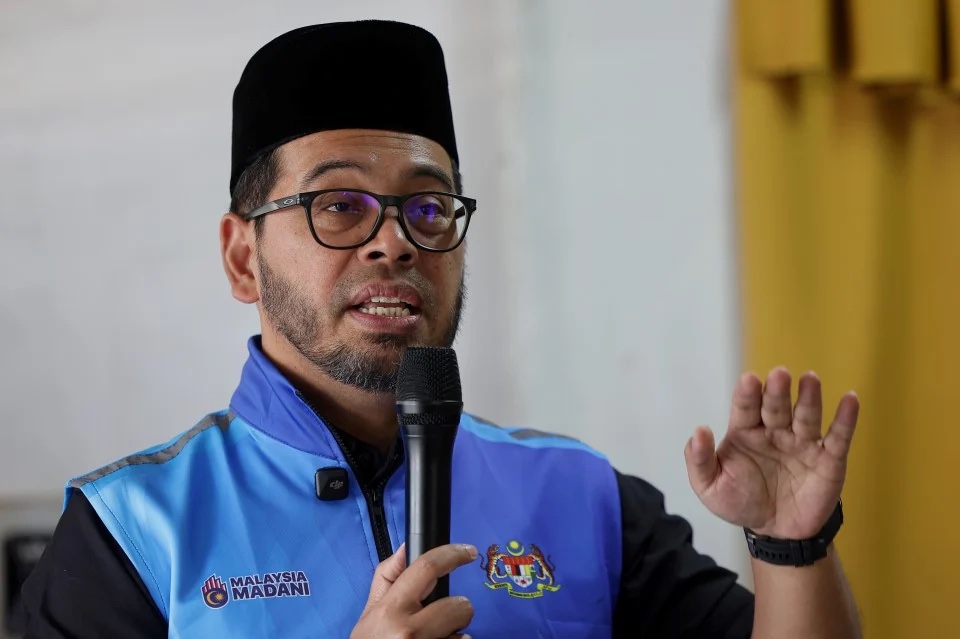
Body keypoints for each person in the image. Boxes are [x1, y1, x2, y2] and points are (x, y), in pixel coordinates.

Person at [20, 20, 862, 639]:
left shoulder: (581, 497)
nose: (395, 242)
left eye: (427, 208)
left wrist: (791, 547)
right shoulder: (134, 530)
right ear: (244, 258)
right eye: (339, 205)